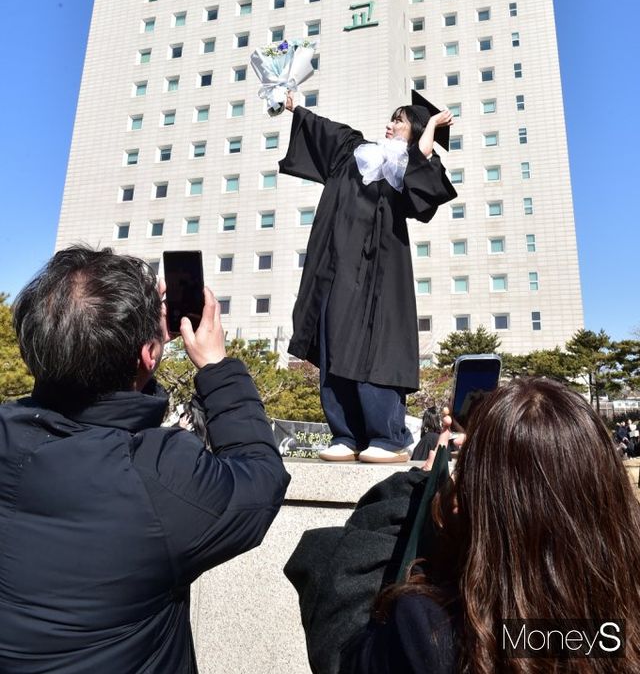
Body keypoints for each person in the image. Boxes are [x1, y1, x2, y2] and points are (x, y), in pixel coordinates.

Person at [1, 246, 289, 674]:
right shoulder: (156, 475)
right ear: (149, 356)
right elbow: (260, 480)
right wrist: (216, 365)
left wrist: (141, 351)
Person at [338, 378, 640, 673]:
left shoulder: (431, 632)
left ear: (476, 500)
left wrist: (420, 487)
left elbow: (344, 635)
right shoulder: (611, 630)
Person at [279, 93, 456, 463]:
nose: (389, 125)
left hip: (381, 278)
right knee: (334, 345)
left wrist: (427, 133)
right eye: (391, 118)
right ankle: (346, 435)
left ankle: (388, 437)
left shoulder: (409, 167)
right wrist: (293, 106)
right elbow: (321, 129)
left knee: (376, 350)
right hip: (337, 270)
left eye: (399, 121)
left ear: (414, 131)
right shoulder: (354, 150)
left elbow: (424, 193)